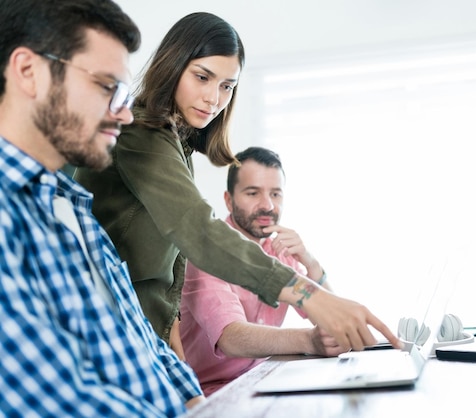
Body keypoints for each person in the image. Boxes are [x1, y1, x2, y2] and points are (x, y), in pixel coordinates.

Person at [73, 12, 400, 359]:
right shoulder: (142, 133)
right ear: (173, 67)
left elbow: (165, 265)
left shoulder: (176, 145)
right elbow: (197, 230)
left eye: (227, 86)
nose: (214, 98)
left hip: (142, 334)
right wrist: (309, 295)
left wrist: (170, 336)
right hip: (104, 333)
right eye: (203, 77)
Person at [0, 0, 204, 416]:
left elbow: (142, 344)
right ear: (28, 71)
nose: (125, 113)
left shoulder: (74, 211)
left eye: (124, 93)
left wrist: (201, 405)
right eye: (105, 87)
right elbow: (56, 399)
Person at [180, 146, 347, 395]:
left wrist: (310, 263)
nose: (267, 205)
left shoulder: (280, 251)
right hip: (208, 394)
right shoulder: (207, 254)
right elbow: (230, 337)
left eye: (276, 194)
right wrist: (309, 340)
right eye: (253, 193)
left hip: (262, 380)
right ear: (229, 199)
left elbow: (334, 318)